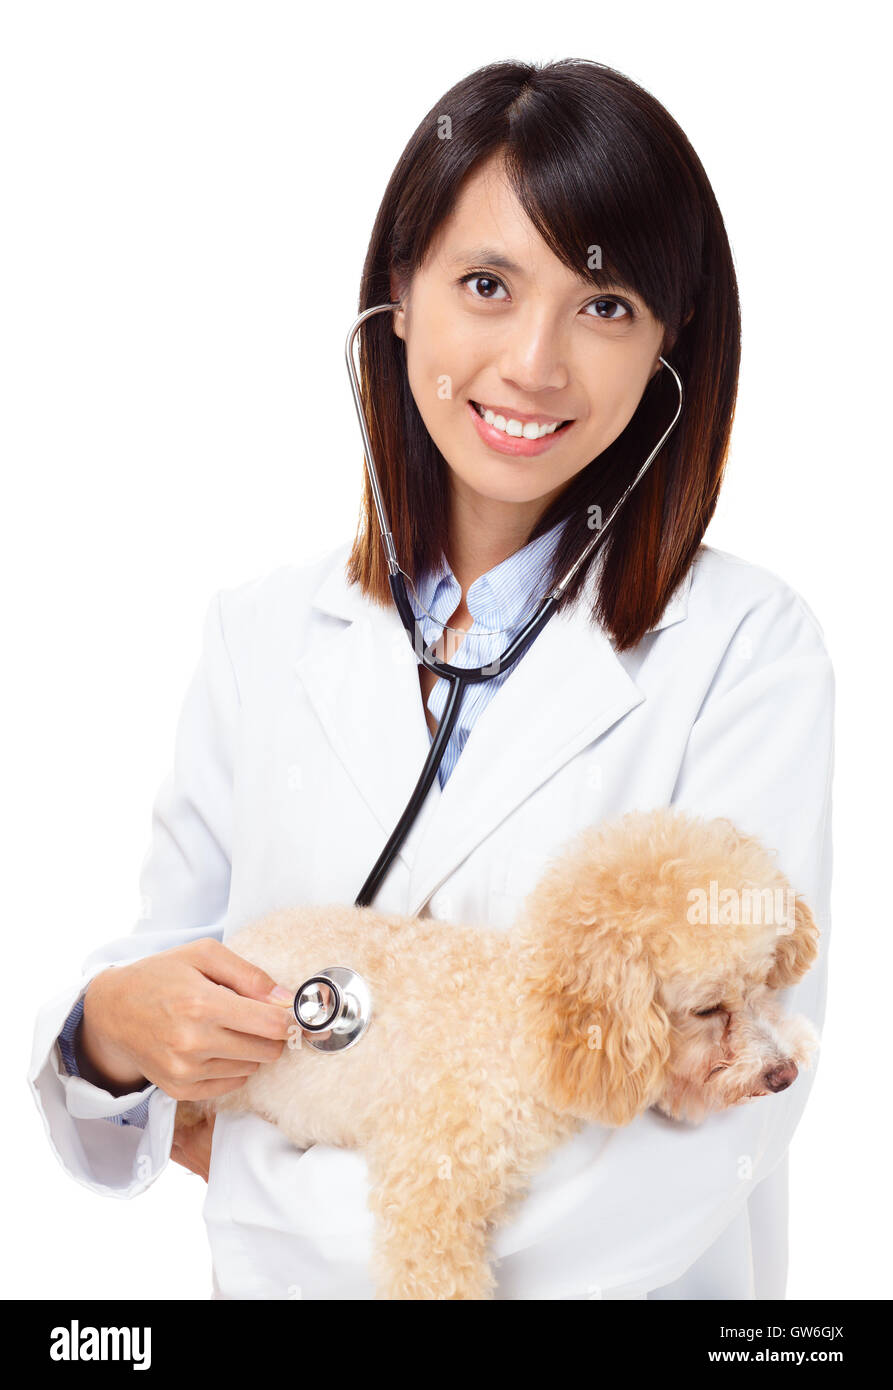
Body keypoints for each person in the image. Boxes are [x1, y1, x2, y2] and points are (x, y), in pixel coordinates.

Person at [28, 58, 834, 1300]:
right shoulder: (258, 636)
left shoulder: (744, 649)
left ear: (673, 340)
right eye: (484, 284)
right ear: (398, 294)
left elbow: (728, 1105)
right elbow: (169, 996)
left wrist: (267, 1203)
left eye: (604, 303)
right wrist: (110, 1032)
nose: (532, 361)